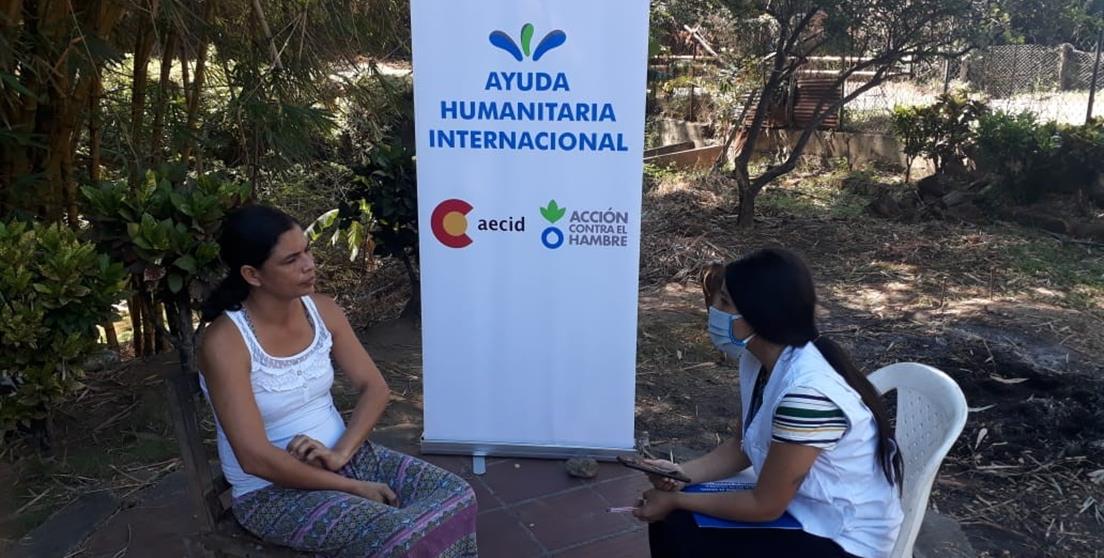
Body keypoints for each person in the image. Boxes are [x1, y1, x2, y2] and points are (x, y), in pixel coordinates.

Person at [197, 204, 477, 557]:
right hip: (271, 493)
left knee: (456, 494)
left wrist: (339, 454)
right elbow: (255, 459)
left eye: (307, 251)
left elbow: (375, 388)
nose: (309, 264)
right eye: (291, 260)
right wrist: (351, 487)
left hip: (345, 457)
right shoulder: (226, 342)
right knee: (399, 533)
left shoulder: (323, 310)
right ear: (253, 275)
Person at [634, 248, 903, 558]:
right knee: (673, 519)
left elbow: (765, 506)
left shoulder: (807, 396)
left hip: (842, 538)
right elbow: (740, 447)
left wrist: (676, 500)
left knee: (682, 526)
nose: (714, 310)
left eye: (725, 303)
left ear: (761, 316)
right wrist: (680, 475)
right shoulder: (758, 361)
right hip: (800, 509)